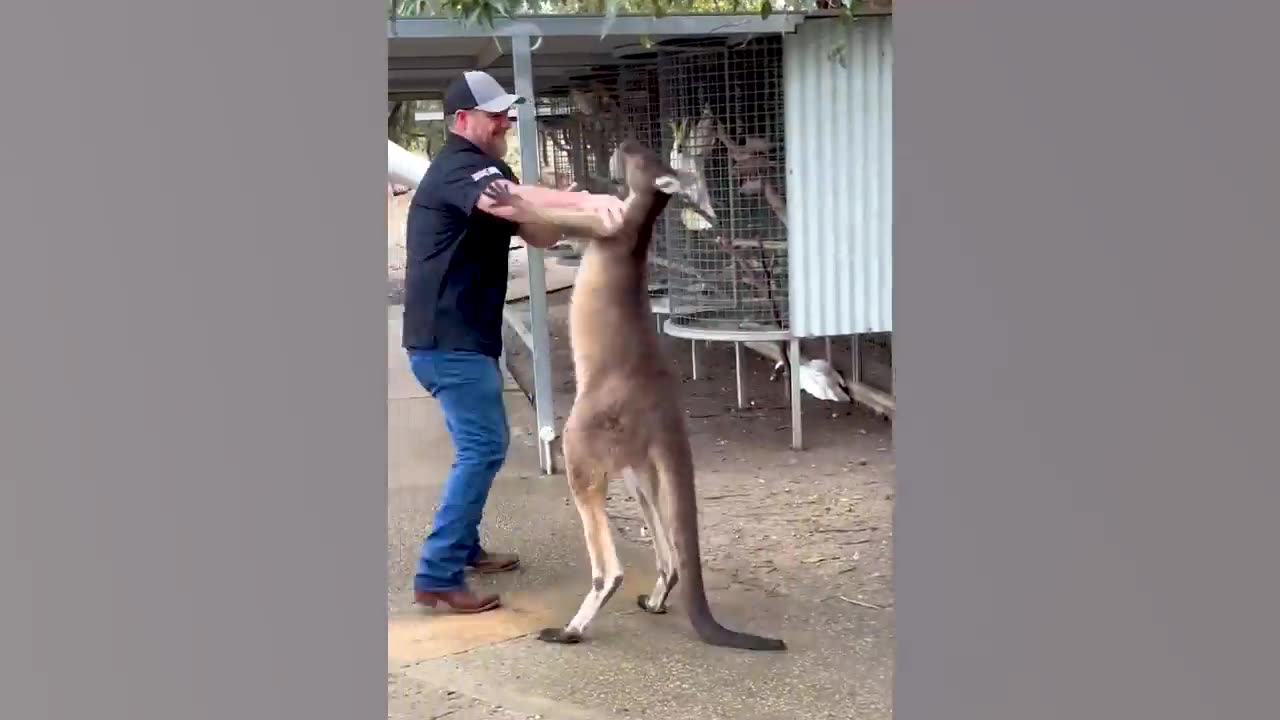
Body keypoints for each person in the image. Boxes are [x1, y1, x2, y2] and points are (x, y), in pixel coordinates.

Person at [402, 70, 626, 614]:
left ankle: (464, 546)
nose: (503, 121)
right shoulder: (457, 167)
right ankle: (436, 573)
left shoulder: (490, 170)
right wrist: (587, 201)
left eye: (506, 112)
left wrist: (557, 210)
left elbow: (538, 233)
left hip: (461, 338)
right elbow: (508, 203)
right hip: (447, 341)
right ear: (461, 121)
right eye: (493, 113)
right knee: (483, 449)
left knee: (477, 448)